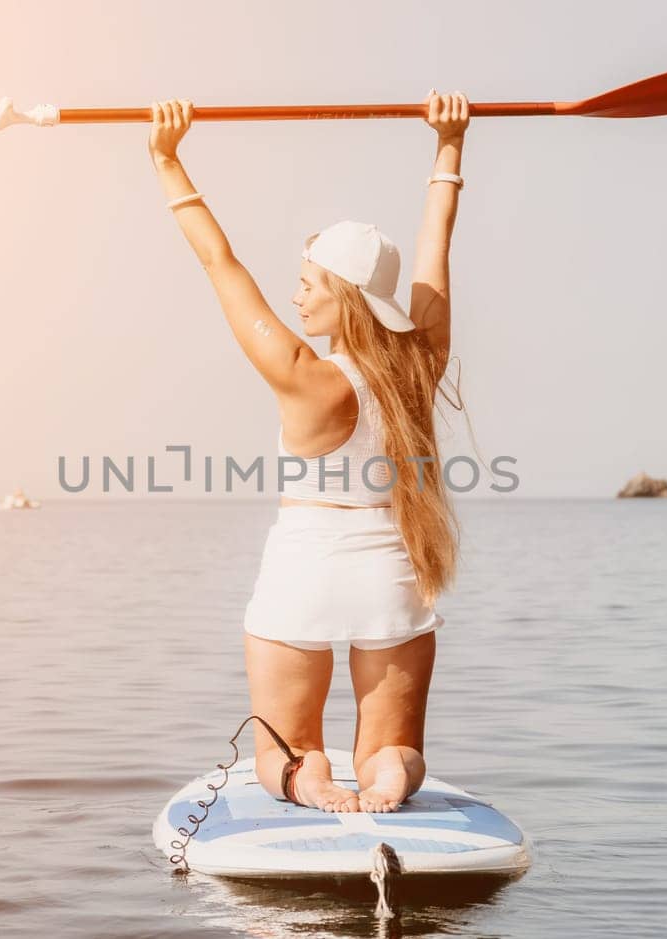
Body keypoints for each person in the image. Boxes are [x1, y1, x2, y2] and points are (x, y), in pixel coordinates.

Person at [149, 90, 470, 813]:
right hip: (390, 573)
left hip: (302, 571)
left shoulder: (304, 378)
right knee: (393, 744)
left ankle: (304, 776)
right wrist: (449, 145)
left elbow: (219, 263)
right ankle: (387, 774)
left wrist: (168, 160)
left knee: (283, 745)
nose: (295, 296)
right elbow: (434, 253)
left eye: (307, 284)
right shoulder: (421, 365)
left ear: (346, 299)